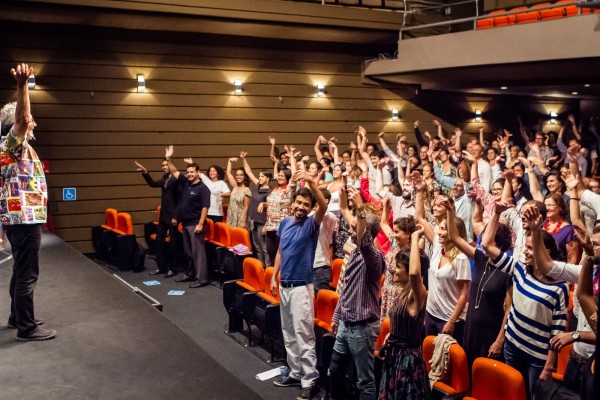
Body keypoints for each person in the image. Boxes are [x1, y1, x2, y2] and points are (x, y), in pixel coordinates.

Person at [481, 201, 568, 399]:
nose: (526, 252)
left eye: (531, 248)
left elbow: (557, 331)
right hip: (512, 346)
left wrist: (549, 366)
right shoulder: (520, 270)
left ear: (546, 252)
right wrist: (496, 213)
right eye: (525, 247)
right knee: (510, 394)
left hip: (536, 357)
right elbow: (486, 245)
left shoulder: (559, 287)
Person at [0, 63, 55, 341]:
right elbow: (22, 119)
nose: (33, 122)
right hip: (23, 219)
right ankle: (27, 327)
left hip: (19, 219)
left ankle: (16, 317)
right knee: (28, 274)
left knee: (21, 269)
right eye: (29, 120)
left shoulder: (14, 148)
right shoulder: (12, 145)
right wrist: (23, 84)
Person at [269, 171, 327, 400]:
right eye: (299, 202)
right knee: (289, 333)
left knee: (304, 335)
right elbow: (281, 251)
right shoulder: (285, 222)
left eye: (306, 204)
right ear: (293, 203)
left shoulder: (312, 224)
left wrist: (312, 183)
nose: (301, 207)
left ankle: (310, 380)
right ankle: (295, 372)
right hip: (284, 285)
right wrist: (274, 276)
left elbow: (323, 205)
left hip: (302, 287)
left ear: (310, 207)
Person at [328, 185, 385, 400]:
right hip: (346, 323)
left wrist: (361, 206)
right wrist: (336, 316)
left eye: (355, 227)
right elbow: (348, 289)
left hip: (362, 327)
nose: (350, 230)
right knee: (335, 370)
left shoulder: (374, 258)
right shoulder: (354, 253)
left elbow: (364, 241)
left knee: (365, 382)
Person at [445, 199, 513, 367]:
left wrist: (499, 341)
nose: (483, 243)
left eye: (488, 240)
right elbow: (454, 237)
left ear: (498, 245)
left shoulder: (507, 270)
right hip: (471, 327)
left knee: (486, 378)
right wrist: (450, 212)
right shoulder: (481, 258)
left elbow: (508, 310)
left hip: (491, 332)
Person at [378, 226, 431, 400]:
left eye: (399, 266)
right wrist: (392, 335)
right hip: (395, 355)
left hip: (407, 361)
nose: (394, 269)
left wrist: (415, 238)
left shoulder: (418, 293)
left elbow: (415, 273)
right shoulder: (403, 290)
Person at [166, 147, 211, 288]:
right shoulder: (187, 183)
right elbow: (174, 171)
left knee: (198, 254)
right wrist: (168, 159)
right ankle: (190, 274)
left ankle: (202, 279)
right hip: (185, 223)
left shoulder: (203, 189)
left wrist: (200, 224)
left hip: (195, 224)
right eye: (188, 172)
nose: (190, 174)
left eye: (192, 172)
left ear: (198, 173)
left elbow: (205, 207)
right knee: (188, 252)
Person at [135, 158, 180, 278]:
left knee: (173, 244)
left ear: (171, 165)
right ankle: (161, 267)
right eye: (163, 165)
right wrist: (145, 172)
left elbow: (180, 201)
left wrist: (176, 216)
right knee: (159, 241)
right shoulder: (165, 178)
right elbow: (152, 184)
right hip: (164, 216)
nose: (164, 167)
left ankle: (173, 268)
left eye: (166, 165)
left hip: (173, 216)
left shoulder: (177, 179)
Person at [240, 152, 272, 267]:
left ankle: (267, 269)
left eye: (262, 176)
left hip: (262, 222)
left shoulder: (269, 192)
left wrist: (266, 225)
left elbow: (272, 206)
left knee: (264, 248)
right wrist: (244, 158)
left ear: (268, 178)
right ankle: (260, 268)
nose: (259, 178)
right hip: (253, 221)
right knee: (257, 247)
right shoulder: (258, 186)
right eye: (259, 176)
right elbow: (248, 171)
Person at [225, 157, 251, 228]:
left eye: (241, 175)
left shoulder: (246, 190)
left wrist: (243, 221)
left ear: (245, 176)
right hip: (231, 217)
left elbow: (246, 207)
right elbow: (229, 173)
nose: (238, 176)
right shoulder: (235, 187)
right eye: (237, 175)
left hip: (241, 218)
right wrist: (229, 161)